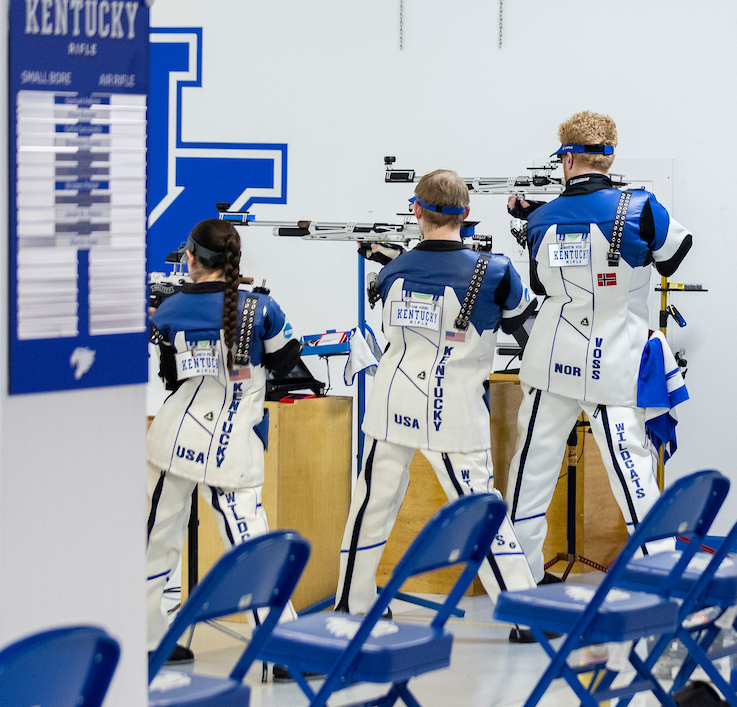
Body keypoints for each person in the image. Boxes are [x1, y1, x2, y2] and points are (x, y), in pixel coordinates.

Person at [336, 169, 542, 641]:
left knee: (371, 504)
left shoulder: (392, 271)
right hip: (453, 409)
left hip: (392, 401)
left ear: (416, 211)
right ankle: (524, 614)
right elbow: (525, 330)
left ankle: (352, 605)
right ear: (466, 214)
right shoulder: (496, 272)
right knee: (481, 513)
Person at [504, 111, 693, 583]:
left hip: (551, 361)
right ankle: (661, 580)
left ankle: (520, 583)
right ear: (609, 157)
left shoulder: (539, 220)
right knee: (633, 475)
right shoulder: (643, 207)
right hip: (614, 362)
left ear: (567, 160)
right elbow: (673, 257)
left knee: (530, 474)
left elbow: (539, 285)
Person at [145, 218, 301, 662]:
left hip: (174, 439)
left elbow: (171, 376)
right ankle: (283, 646)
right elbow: (287, 362)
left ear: (190, 259)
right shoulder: (263, 309)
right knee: (251, 548)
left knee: (154, 542)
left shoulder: (168, 311)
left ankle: (148, 639)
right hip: (231, 446)